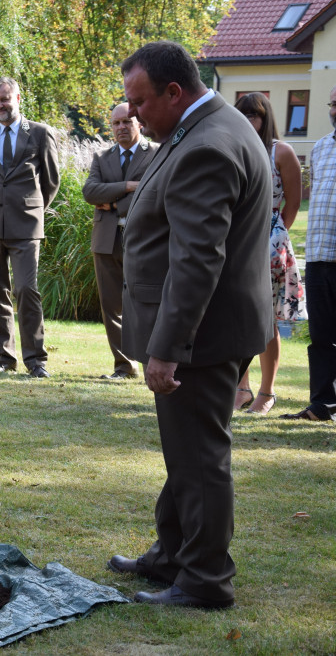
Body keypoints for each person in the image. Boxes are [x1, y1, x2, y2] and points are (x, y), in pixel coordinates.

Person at [107, 41, 272, 608]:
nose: (133, 115)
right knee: (186, 449)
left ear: (175, 92)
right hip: (211, 327)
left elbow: (198, 258)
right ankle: (172, 553)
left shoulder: (208, 144)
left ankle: (204, 579)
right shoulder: (206, 126)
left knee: (200, 455)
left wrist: (167, 348)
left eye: (141, 102)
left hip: (200, 335)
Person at [0, 77, 60, 377]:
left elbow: (51, 182)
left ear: (18, 98)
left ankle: (36, 360)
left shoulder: (39, 133)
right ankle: (5, 358)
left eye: (5, 100)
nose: (0, 106)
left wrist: (31, 208)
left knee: (26, 289)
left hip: (26, 226)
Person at [232, 92, 304, 415]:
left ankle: (267, 392)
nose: (248, 120)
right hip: (236, 242)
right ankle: (242, 388)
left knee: (265, 320)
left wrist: (275, 235)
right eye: (242, 114)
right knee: (235, 317)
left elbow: (293, 203)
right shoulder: (233, 148)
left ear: (265, 117)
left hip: (269, 244)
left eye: (254, 115)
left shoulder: (281, 151)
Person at [82, 103, 157, 380]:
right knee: (111, 305)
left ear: (138, 123)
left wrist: (113, 206)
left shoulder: (156, 154)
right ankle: (124, 366)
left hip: (144, 240)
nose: (121, 128)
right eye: (116, 123)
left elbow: (153, 193)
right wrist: (128, 186)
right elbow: (90, 192)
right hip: (106, 241)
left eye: (127, 121)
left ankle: (152, 365)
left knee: (144, 303)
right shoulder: (102, 157)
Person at [280, 85, 336, 423]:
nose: (335, 109)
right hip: (317, 254)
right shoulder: (320, 148)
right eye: (334, 103)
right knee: (322, 336)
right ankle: (322, 405)